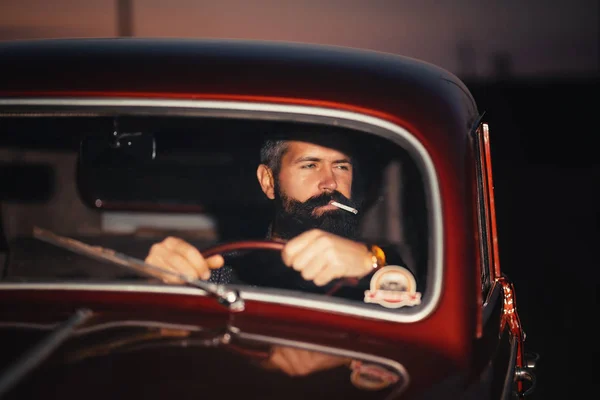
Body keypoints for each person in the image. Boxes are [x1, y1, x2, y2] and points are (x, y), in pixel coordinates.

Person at [144, 131, 407, 294]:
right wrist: (159, 284)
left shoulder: (378, 262)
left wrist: (372, 263)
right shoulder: (226, 268)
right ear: (268, 182)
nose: (330, 182)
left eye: (341, 167)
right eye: (310, 165)